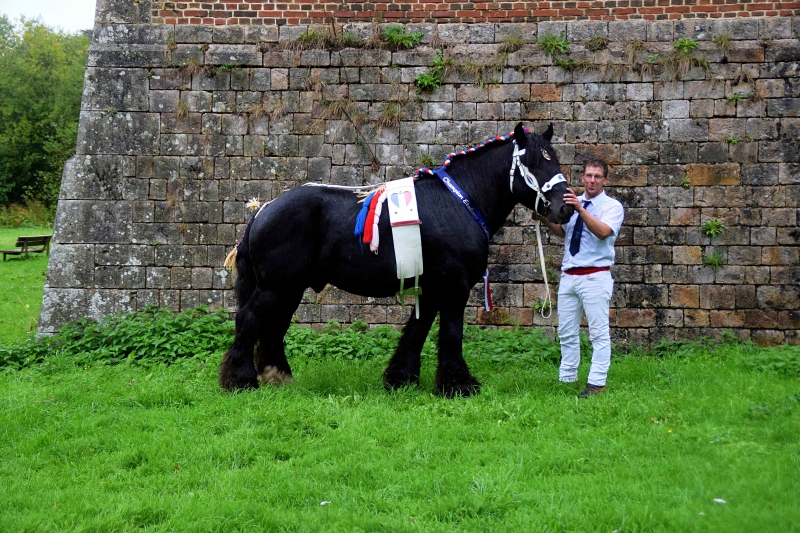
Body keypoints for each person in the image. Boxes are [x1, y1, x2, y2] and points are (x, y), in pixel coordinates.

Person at [538, 159, 624, 398]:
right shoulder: (575, 202)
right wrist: (544, 218)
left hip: (595, 276)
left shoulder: (611, 206)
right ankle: (567, 379)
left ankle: (596, 383)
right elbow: (564, 233)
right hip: (569, 275)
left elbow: (603, 232)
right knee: (566, 332)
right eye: (588, 175)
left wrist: (580, 208)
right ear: (582, 177)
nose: (592, 180)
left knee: (598, 333)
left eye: (597, 176)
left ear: (605, 180)